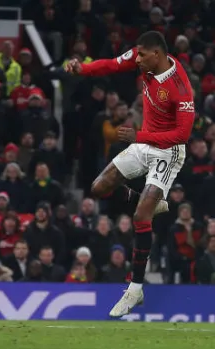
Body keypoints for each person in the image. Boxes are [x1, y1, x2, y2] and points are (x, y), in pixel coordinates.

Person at [65, 31, 194, 317]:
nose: (136, 60)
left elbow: (183, 135)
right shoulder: (143, 60)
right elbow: (111, 64)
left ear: (157, 55)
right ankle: (149, 200)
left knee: (140, 217)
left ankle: (134, 290)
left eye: (142, 56)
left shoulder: (179, 88)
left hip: (168, 150)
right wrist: (82, 68)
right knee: (99, 187)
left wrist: (140, 135)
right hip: (145, 142)